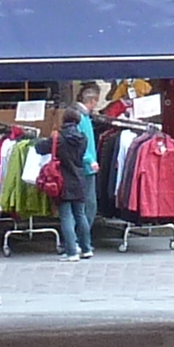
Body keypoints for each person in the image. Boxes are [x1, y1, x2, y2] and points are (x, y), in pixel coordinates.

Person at [52, 85, 101, 259]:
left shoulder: (80, 116)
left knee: (80, 209)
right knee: (85, 207)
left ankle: (77, 244)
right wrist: (90, 160)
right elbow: (81, 142)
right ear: (92, 100)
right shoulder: (81, 117)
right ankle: (79, 244)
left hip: (81, 167)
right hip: (83, 168)